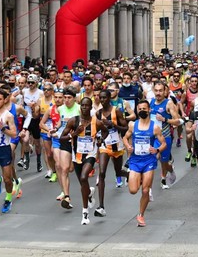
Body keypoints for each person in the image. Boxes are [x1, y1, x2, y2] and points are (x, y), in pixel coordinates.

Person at [60, 97, 108, 225]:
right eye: (82, 105)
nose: (85, 108)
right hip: (77, 156)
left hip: (90, 154)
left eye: (87, 105)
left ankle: (85, 212)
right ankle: (90, 193)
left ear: (91, 107)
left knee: (83, 177)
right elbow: (62, 138)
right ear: (80, 107)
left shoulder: (96, 122)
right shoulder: (73, 121)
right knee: (83, 184)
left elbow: (106, 131)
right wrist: (74, 133)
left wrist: (100, 140)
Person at [123, 100, 166, 227]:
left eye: (144, 109)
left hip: (149, 161)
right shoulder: (132, 125)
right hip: (135, 160)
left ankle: (141, 215)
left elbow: (163, 143)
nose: (142, 111)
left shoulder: (155, 127)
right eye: (140, 109)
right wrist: (128, 146)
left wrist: (157, 149)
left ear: (149, 110)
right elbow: (125, 138)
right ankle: (139, 178)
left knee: (146, 191)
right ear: (137, 110)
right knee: (133, 190)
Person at [95, 89, 129, 217]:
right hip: (104, 146)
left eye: (104, 98)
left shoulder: (117, 111)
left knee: (118, 172)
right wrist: (98, 140)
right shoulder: (98, 113)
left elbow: (125, 128)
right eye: (100, 97)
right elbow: (98, 130)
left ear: (109, 98)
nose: (102, 100)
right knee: (102, 173)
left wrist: (113, 124)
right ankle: (101, 206)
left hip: (117, 146)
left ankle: (130, 175)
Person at [150, 81, 182, 189]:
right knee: (152, 157)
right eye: (156, 90)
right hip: (154, 137)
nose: (158, 93)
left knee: (164, 161)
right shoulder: (151, 102)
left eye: (160, 91)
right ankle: (156, 183)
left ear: (165, 92)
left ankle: (170, 170)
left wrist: (164, 119)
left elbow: (178, 121)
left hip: (165, 136)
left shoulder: (169, 104)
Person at [57, 86, 80, 209]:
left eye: (69, 98)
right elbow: (60, 123)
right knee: (64, 168)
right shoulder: (60, 109)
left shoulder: (80, 109)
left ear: (74, 98)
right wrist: (55, 129)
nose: (66, 100)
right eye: (65, 97)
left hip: (77, 142)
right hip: (65, 141)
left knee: (71, 169)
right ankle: (66, 196)